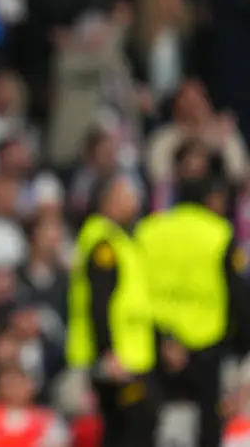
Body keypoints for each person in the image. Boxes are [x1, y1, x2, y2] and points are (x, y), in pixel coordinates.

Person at [137, 175, 250, 447]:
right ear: (211, 200)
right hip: (205, 344)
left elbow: (134, 286)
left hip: (154, 342)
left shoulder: (149, 231)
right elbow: (238, 294)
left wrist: (163, 338)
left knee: (150, 422)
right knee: (207, 426)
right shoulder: (219, 232)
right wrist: (242, 345)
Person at [66, 174, 161, 447]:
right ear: (107, 202)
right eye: (126, 198)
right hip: (118, 360)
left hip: (129, 355)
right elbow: (99, 303)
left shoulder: (120, 240)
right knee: (132, 429)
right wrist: (109, 354)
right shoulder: (104, 244)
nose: (134, 204)